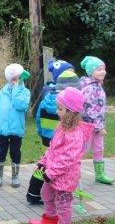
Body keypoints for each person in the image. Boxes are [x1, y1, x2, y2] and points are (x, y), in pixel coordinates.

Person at [28, 87, 94, 224]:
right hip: (52, 173)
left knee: (64, 203)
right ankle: (51, 219)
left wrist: (51, 173)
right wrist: (43, 162)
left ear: (70, 111)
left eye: (60, 108)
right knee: (46, 194)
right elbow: (52, 148)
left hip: (65, 177)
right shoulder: (61, 127)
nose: (57, 111)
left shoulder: (75, 134)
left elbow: (68, 158)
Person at [28, 71, 80, 204]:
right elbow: (57, 152)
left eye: (59, 110)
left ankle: (33, 193)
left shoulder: (47, 99)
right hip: (56, 144)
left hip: (47, 136)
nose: (57, 112)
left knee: (48, 165)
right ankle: (41, 195)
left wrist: (40, 131)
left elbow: (39, 117)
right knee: (49, 168)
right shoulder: (65, 111)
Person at [0, 64, 30, 188]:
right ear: (9, 79)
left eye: (18, 78)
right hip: (2, 129)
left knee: (15, 151)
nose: (15, 81)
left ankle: (15, 176)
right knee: (0, 151)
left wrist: (17, 90)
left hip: (16, 129)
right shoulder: (2, 93)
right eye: (13, 79)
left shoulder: (24, 92)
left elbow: (21, 106)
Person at [80, 56, 113, 184]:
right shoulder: (90, 88)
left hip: (97, 126)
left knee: (99, 149)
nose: (103, 72)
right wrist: (99, 128)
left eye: (104, 69)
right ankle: (72, 174)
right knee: (82, 150)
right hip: (89, 127)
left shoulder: (97, 85)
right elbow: (91, 111)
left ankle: (100, 174)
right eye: (99, 69)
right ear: (91, 71)